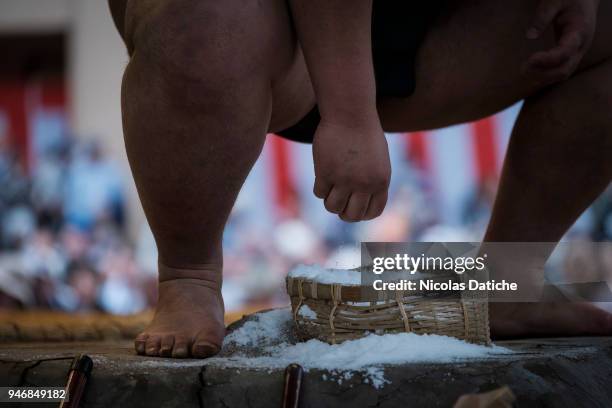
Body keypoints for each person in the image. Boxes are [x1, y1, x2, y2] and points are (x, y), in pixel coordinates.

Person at [108, 0, 612, 358]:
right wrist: (349, 112)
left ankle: (508, 284)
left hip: (436, 22)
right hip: (260, 26)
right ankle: (188, 275)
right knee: (203, 17)